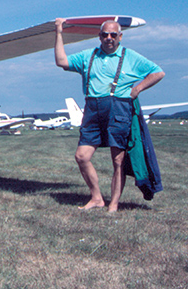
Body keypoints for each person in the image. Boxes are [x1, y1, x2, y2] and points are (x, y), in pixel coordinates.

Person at [54, 18, 165, 212]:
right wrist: (59, 32)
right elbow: (61, 61)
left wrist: (137, 89)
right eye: (105, 35)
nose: (109, 38)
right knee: (81, 156)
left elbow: (158, 73)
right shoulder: (88, 56)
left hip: (119, 109)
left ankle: (113, 204)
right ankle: (96, 197)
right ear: (99, 36)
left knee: (118, 160)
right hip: (92, 109)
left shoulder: (130, 57)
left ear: (120, 37)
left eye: (113, 35)